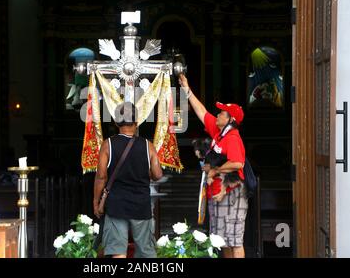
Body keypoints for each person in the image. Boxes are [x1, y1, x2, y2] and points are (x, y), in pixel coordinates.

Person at [179, 74, 248, 259]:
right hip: (216, 193)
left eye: (221, 113)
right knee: (222, 240)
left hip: (230, 193)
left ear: (230, 120)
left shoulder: (232, 138)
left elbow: (238, 163)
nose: (217, 114)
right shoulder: (219, 132)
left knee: (234, 241)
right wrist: (187, 90)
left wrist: (216, 170)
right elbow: (202, 112)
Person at [93, 102, 163, 258]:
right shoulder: (148, 146)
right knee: (145, 252)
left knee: (117, 251)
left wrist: (96, 201)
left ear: (116, 122)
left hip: (116, 205)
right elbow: (158, 175)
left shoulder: (108, 145)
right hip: (141, 204)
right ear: (136, 123)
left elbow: (101, 177)